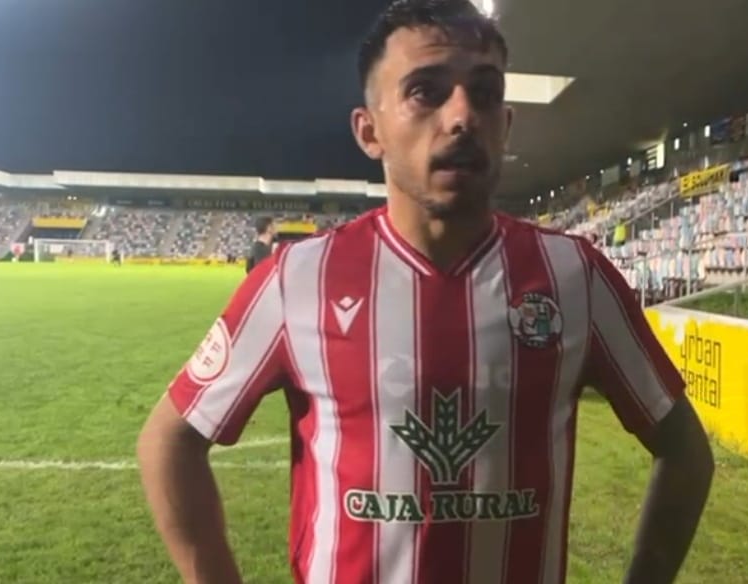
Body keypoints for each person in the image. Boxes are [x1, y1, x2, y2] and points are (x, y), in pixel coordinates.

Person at [136, 1, 713, 583]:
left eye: (484, 94)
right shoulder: (297, 280)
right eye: (425, 91)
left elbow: (685, 448)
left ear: (506, 125)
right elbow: (170, 441)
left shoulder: (574, 276)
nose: (462, 115)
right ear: (370, 131)